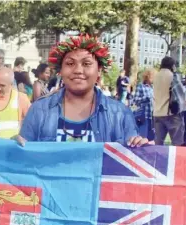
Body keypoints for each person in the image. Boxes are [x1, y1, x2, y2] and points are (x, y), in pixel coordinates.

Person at [17, 34, 150, 147]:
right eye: (70, 64)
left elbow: (130, 166)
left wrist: (140, 147)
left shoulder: (120, 114)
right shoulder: (39, 110)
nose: (78, 70)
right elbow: (23, 162)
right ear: (60, 71)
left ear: (99, 71)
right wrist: (14, 148)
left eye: (86, 64)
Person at [153, 56, 185, 146]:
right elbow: (181, 93)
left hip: (157, 113)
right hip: (171, 113)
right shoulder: (173, 76)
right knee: (177, 144)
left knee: (158, 143)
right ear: (172, 65)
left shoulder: (156, 76)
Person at [0, 67, 30, 139]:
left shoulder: (21, 98)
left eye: (2, 85)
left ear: (11, 85)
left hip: (13, 148)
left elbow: (31, 125)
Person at [131, 68, 155, 140]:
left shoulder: (153, 88)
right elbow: (135, 101)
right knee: (142, 138)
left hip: (152, 117)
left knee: (151, 139)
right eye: (153, 77)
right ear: (147, 77)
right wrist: (147, 98)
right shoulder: (141, 86)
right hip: (144, 117)